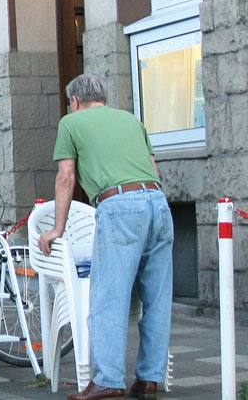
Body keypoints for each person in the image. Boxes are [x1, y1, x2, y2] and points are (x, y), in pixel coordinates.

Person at [38, 74, 173, 400]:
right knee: (156, 299)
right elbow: (153, 171)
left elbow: (66, 176)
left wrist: (57, 228)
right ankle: (150, 379)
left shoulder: (71, 123)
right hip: (158, 202)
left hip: (120, 205)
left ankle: (108, 381)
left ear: (74, 101)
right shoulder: (131, 120)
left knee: (107, 298)